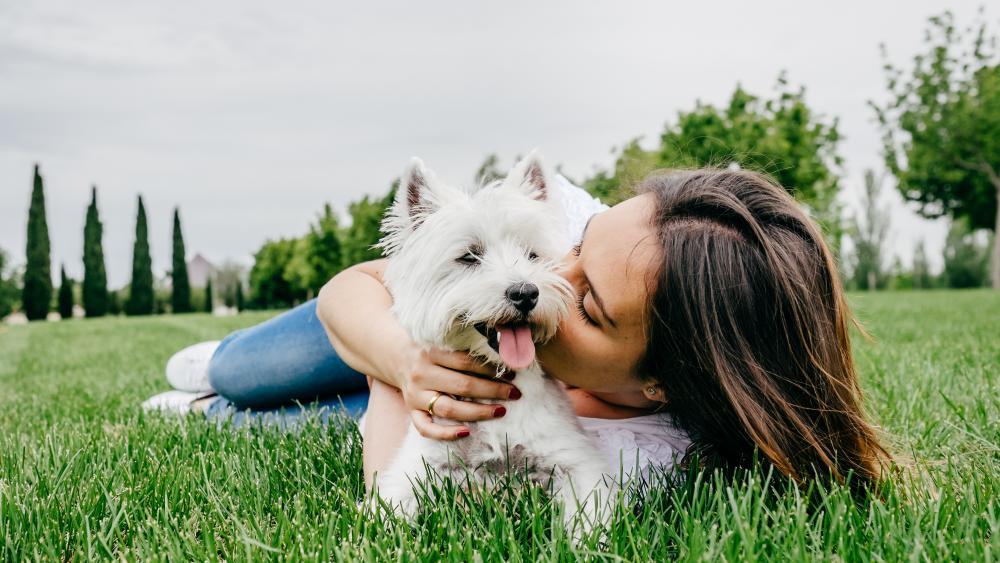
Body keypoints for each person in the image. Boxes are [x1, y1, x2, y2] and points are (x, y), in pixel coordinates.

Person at [145, 168, 890, 491]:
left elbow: (395, 482)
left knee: (270, 426)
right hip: (381, 329)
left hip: (427, 403)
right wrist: (403, 360)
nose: (550, 279)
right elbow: (358, 288)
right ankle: (221, 368)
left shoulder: (641, 455)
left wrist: (404, 400)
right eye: (580, 244)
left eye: (589, 303)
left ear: (660, 379)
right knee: (246, 374)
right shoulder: (543, 235)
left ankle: (210, 411)